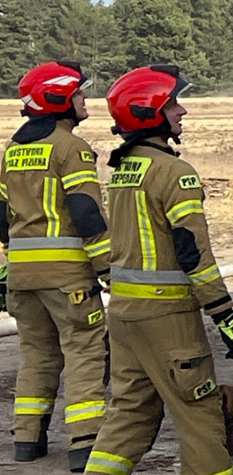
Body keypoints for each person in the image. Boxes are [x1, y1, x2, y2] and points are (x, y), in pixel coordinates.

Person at [87, 66, 233, 475]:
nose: (183, 111)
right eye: (173, 104)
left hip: (125, 316)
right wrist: (225, 315)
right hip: (168, 320)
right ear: (150, 113)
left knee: (130, 413)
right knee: (201, 416)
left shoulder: (126, 168)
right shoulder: (175, 173)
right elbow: (192, 252)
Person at [4, 62, 109, 470]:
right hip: (67, 277)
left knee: (36, 355)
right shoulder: (71, 149)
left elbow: (0, 216)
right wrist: (107, 266)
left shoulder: (13, 151)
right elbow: (85, 211)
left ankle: (27, 441)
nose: (85, 99)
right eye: (79, 93)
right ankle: (84, 445)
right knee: (84, 354)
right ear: (59, 98)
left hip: (22, 276)